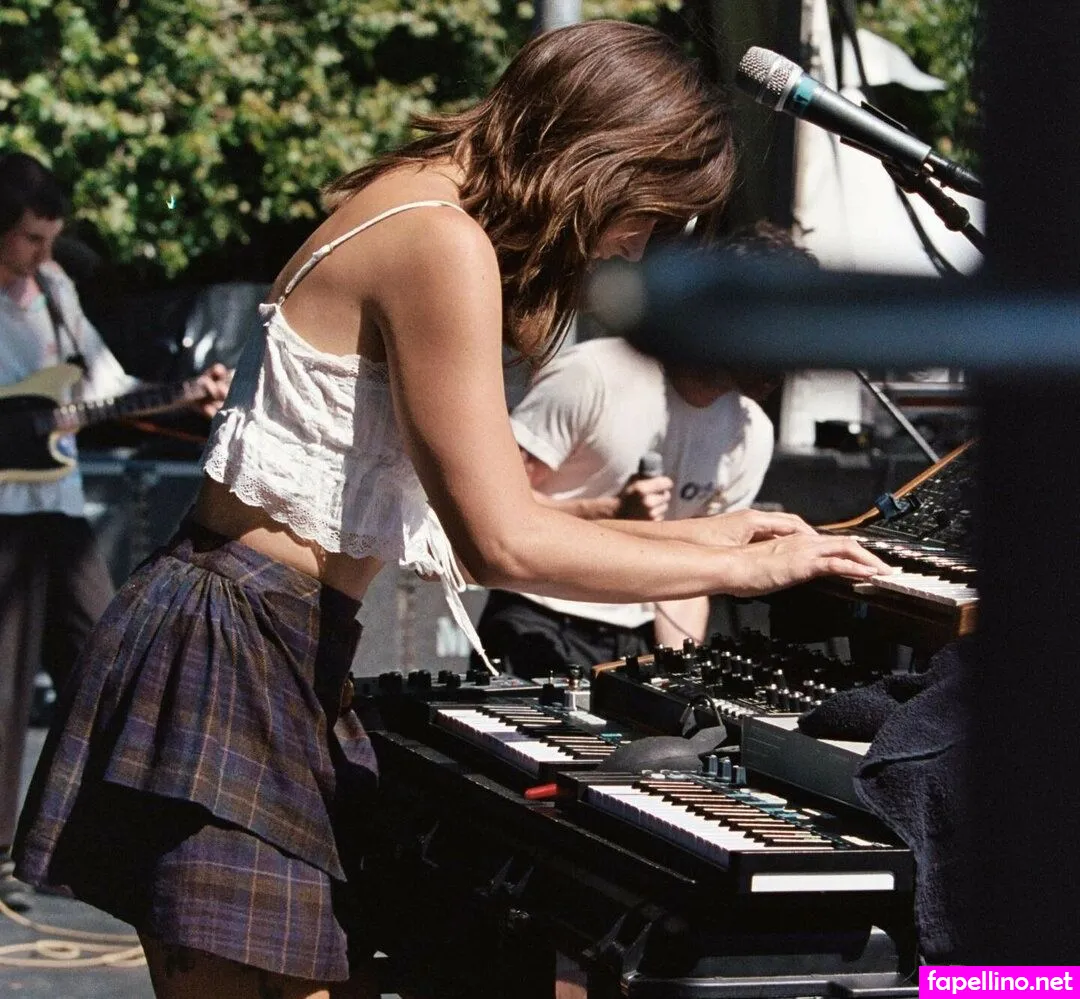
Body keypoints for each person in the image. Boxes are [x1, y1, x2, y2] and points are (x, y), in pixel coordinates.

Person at [13, 21, 891, 999]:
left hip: (268, 631)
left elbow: (488, 512)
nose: (637, 243)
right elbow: (501, 541)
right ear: (603, 156)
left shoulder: (417, 203)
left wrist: (703, 532)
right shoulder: (442, 242)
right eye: (648, 212)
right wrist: (738, 567)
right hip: (233, 641)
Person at [0, 151, 231, 913]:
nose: (43, 253)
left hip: (58, 502)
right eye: (31, 238)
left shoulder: (55, 290)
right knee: (3, 685)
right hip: (3, 512)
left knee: (105, 651)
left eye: (50, 238)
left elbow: (105, 387)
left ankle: (103, 834)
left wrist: (185, 394)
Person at [472, 225, 813, 679]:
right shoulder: (593, 374)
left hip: (636, 636)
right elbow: (491, 510)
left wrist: (679, 674)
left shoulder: (752, 433)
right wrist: (606, 511)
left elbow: (695, 577)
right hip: (539, 617)